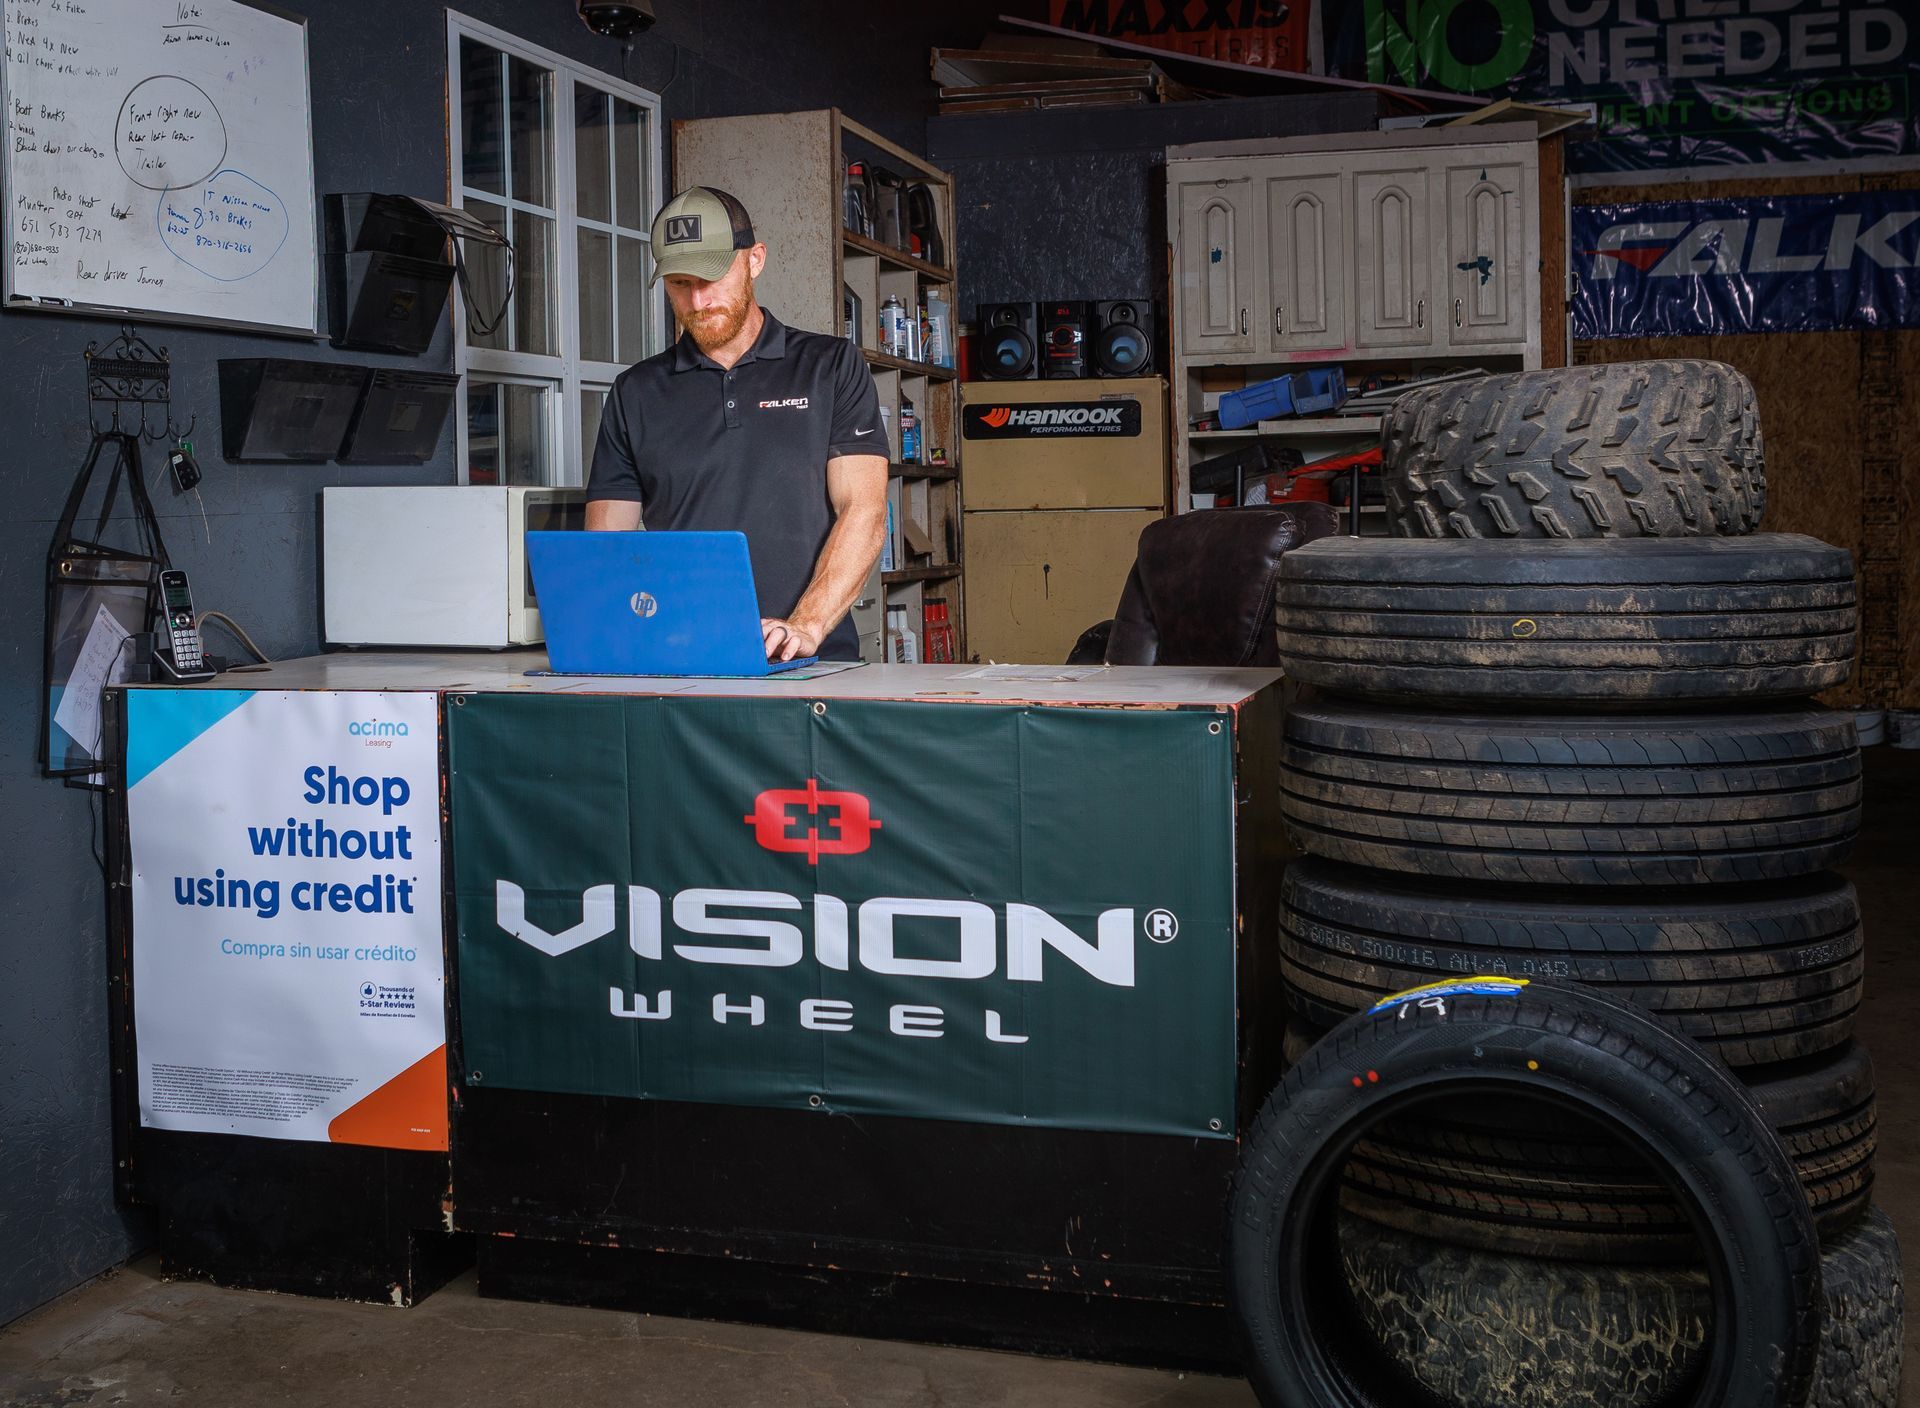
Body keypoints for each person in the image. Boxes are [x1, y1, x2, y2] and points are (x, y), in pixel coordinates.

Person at [585, 186, 888, 662]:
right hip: (680, 659)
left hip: (813, 659)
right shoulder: (635, 392)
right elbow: (607, 551)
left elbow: (865, 512)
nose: (698, 300)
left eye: (713, 277)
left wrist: (805, 626)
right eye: (680, 283)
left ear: (755, 260)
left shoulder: (830, 367)